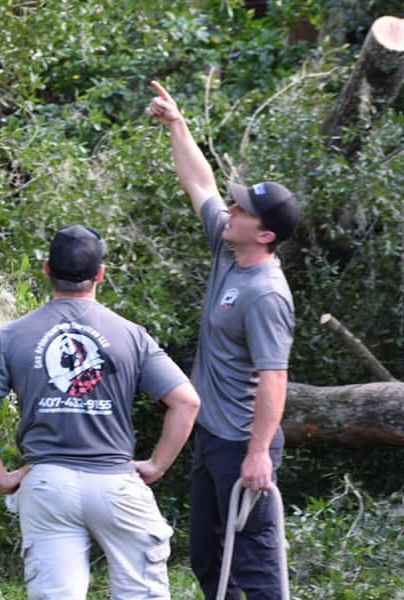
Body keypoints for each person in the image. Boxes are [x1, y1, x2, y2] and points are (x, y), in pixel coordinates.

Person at [0, 225, 201, 600]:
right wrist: (156, 466)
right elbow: (186, 401)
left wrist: (1, 479)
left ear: (45, 269)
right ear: (100, 274)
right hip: (116, 483)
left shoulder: (13, 335)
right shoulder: (131, 335)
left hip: (47, 484)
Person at [146, 80, 301, 600]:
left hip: (243, 443)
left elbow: (274, 379)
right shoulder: (227, 247)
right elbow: (200, 183)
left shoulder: (266, 294)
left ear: (266, 235)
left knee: (255, 568)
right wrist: (177, 125)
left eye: (243, 211)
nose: (230, 211)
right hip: (211, 435)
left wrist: (258, 453)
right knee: (208, 557)